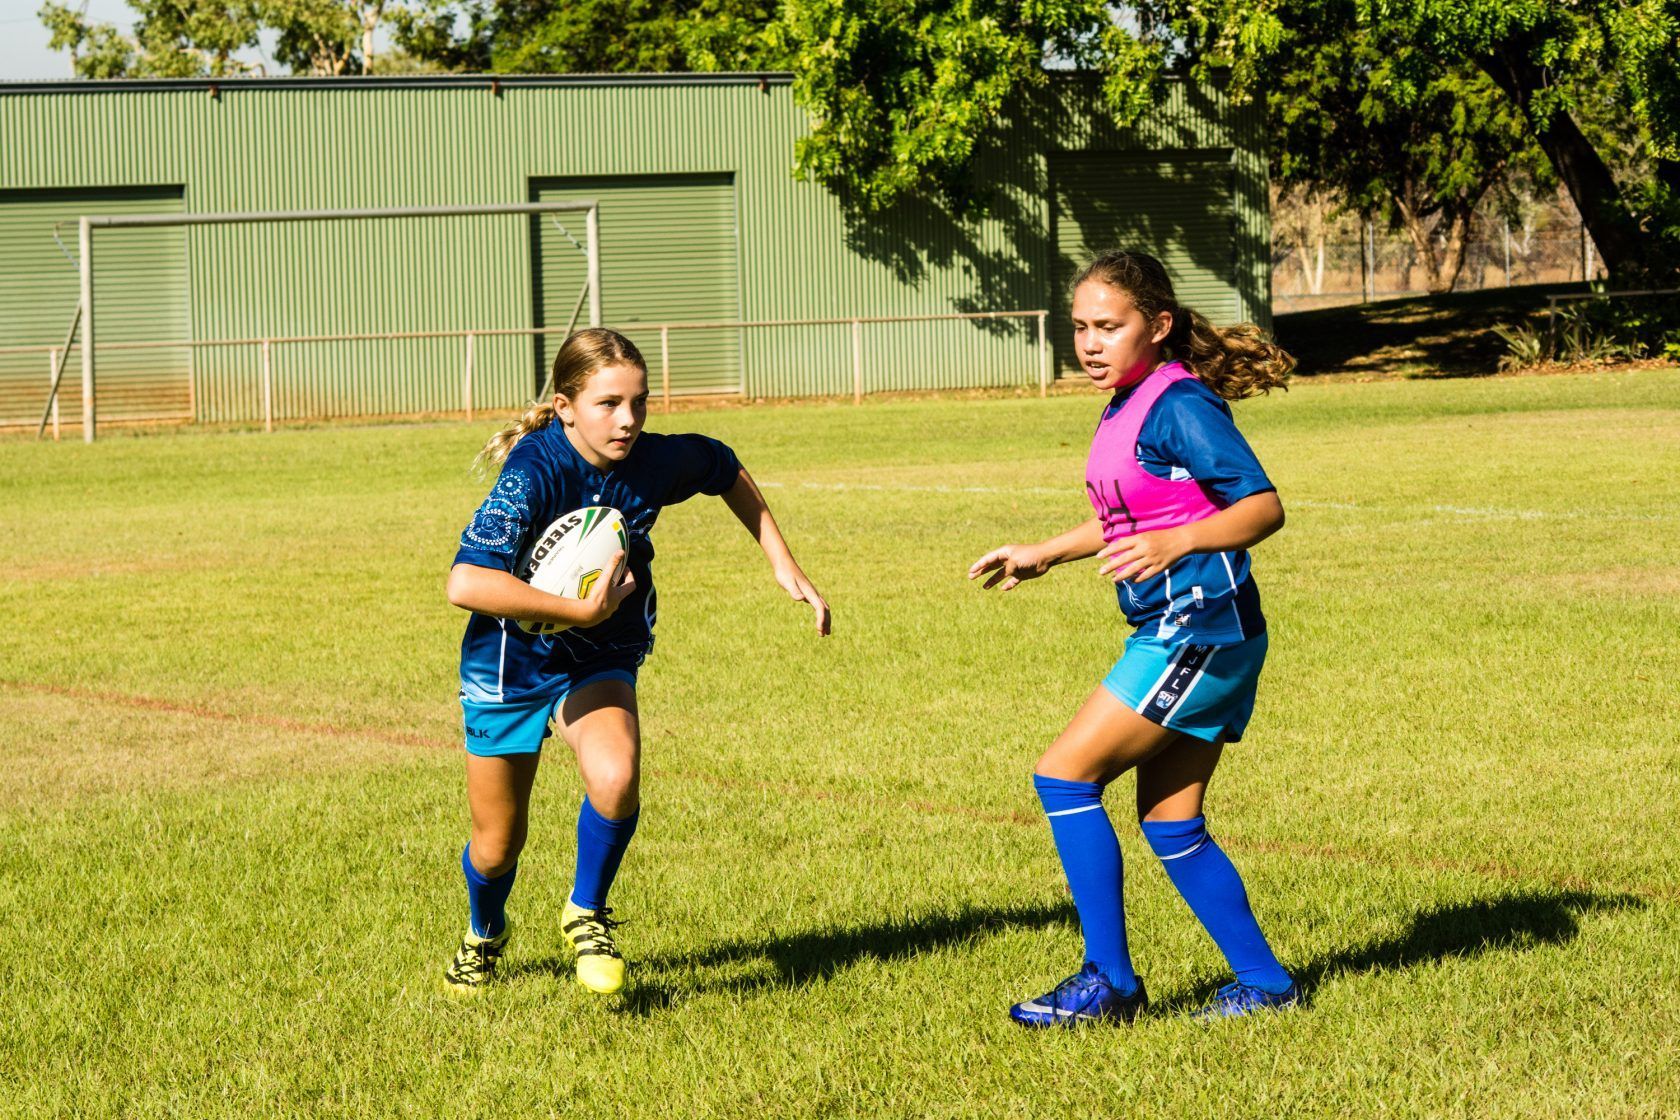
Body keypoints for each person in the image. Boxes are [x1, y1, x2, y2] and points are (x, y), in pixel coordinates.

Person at [443, 327, 830, 994]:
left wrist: (782, 561)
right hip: (510, 659)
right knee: (497, 844)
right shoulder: (534, 472)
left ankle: (586, 912)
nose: (628, 420)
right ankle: (485, 932)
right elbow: (466, 584)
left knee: (616, 777)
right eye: (608, 403)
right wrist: (580, 610)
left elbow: (724, 467)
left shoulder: (652, 461)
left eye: (640, 402)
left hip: (600, 651)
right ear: (564, 407)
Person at [969, 251, 1298, 1026]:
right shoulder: (1127, 400)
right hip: (1193, 630)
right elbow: (1135, 516)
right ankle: (1268, 985)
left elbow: (1263, 507)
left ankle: (1109, 982)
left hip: (1198, 631)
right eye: (1080, 327)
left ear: (1157, 325)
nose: (1089, 342)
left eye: (1108, 327)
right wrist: (1044, 550)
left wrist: (1177, 546)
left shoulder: (1179, 403)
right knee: (1171, 821)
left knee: (1064, 777)